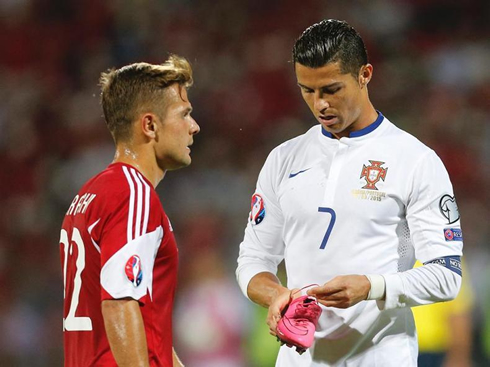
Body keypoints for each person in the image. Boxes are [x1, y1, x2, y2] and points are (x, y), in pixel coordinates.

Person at [236, 19, 464, 366]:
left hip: (381, 355)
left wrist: (371, 286)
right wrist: (276, 295)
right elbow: (253, 259)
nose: (319, 105)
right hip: (299, 359)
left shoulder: (415, 160)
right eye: (307, 90)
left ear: (365, 75)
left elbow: (446, 275)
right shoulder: (283, 159)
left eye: (331, 89)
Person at [59, 55, 200, 366]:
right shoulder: (133, 194)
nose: (194, 127)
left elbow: (151, 335)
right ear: (150, 125)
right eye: (184, 114)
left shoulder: (90, 193)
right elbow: (120, 302)